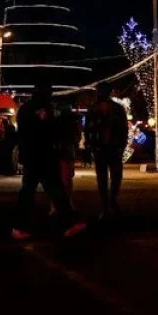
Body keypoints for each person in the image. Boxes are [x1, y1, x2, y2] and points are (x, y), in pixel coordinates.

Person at [13, 81, 85, 239]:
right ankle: (69, 222)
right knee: (48, 190)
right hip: (40, 155)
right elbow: (47, 130)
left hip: (37, 156)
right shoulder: (40, 109)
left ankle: (22, 226)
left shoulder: (28, 108)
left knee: (37, 191)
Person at [85, 83, 128, 218]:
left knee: (115, 177)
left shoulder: (117, 109)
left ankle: (111, 202)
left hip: (113, 147)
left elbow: (123, 129)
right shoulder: (93, 109)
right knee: (103, 179)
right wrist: (90, 144)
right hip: (100, 148)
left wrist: (121, 145)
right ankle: (106, 205)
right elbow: (88, 129)